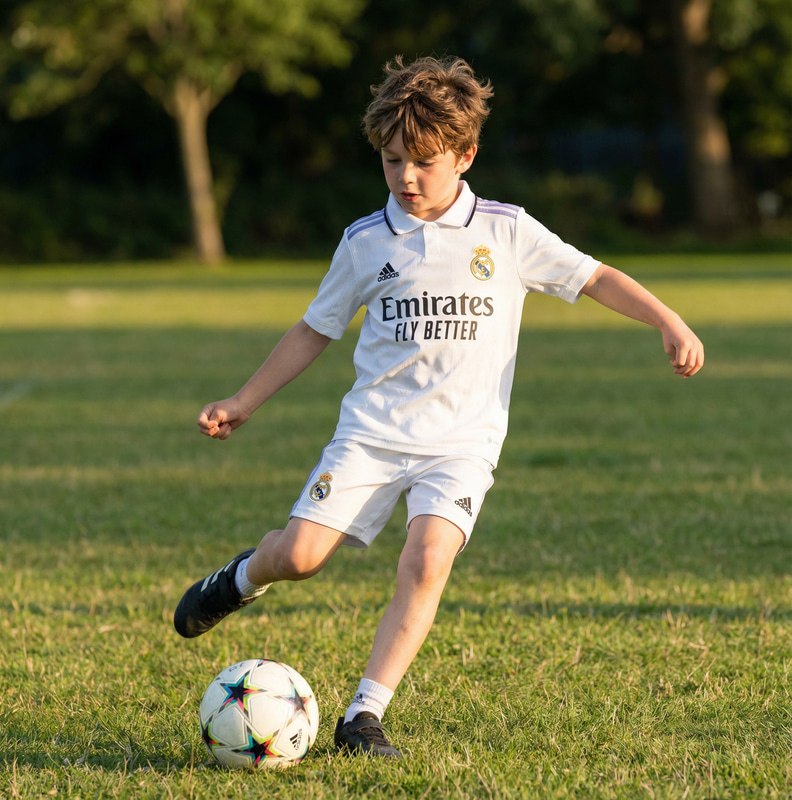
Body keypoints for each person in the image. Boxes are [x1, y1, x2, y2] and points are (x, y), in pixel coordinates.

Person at [173, 55, 704, 758]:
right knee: (299, 557)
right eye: (393, 161)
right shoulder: (366, 242)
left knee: (427, 561)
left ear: (465, 154)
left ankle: (363, 715)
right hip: (371, 436)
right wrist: (244, 399)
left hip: (462, 444)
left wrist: (668, 319)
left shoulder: (507, 231)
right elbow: (313, 331)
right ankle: (237, 580)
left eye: (423, 161)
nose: (406, 177)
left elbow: (595, 277)